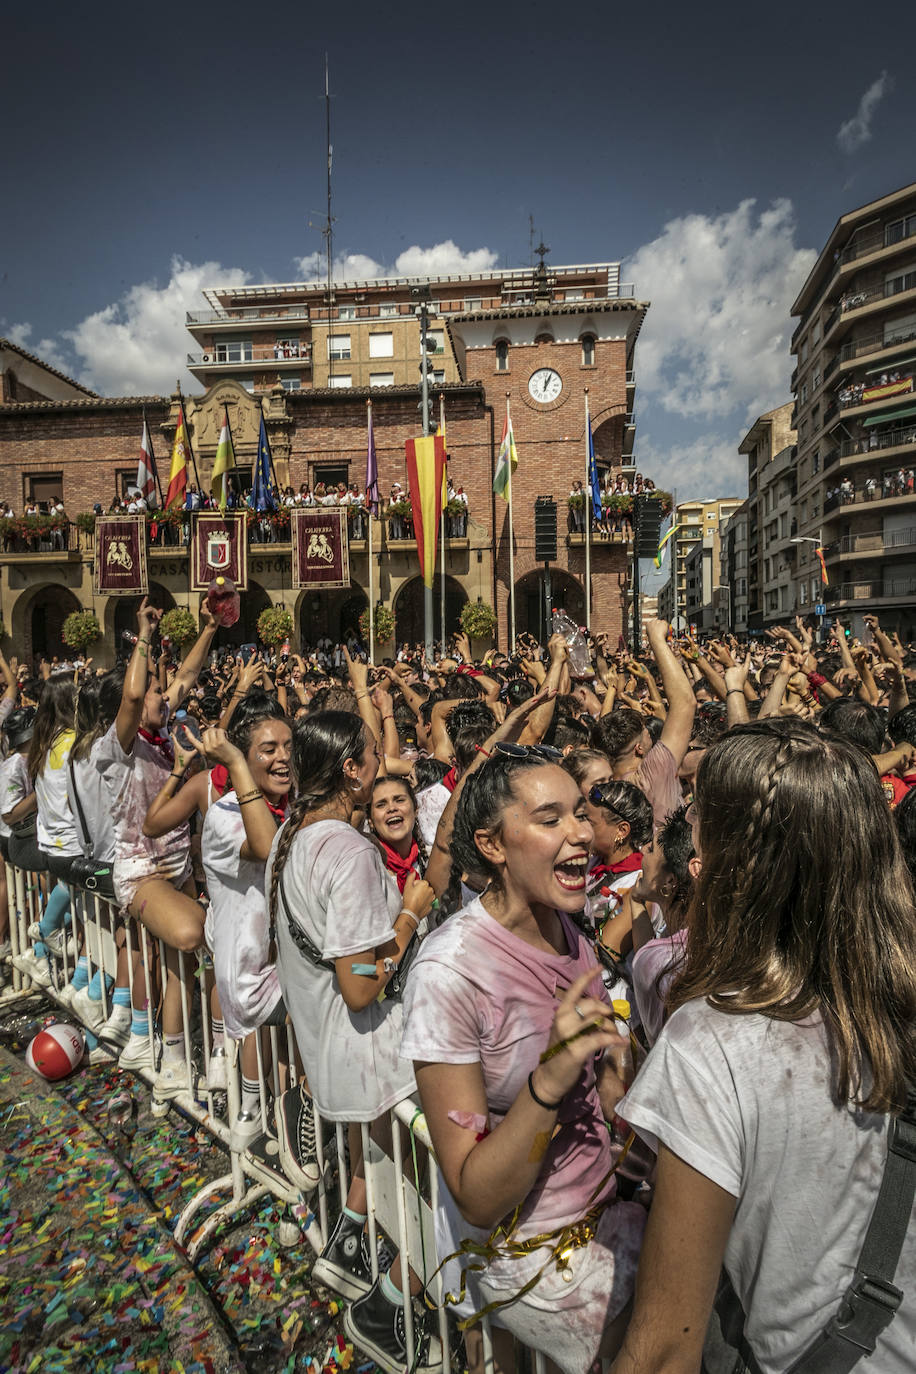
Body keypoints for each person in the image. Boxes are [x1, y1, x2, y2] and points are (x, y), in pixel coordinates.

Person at [612, 719, 916, 1373]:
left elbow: (665, 1346)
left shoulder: (713, 1041)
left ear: (737, 872)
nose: (692, 862)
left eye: (702, 843)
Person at [401, 750, 646, 1374]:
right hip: (527, 1254)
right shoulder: (450, 970)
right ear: (493, 845)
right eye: (549, 818)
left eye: (580, 815)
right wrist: (550, 1081)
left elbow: (607, 1076)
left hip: (611, 1208)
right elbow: (476, 1196)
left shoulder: (570, 924)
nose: (581, 834)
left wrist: (629, 1109)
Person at [265, 711, 440, 1374]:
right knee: (424, 1195)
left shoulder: (299, 832)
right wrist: (410, 912)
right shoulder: (348, 849)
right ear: (351, 767)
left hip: (337, 1053)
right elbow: (362, 983)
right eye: (373, 752)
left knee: (394, 1185)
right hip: (372, 1055)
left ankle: (359, 1265)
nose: (383, 760)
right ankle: (394, 1311)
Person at [96, 597, 217, 1095]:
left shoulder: (163, 730)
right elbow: (130, 699)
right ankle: (169, 1049)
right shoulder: (117, 746)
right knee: (195, 933)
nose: (162, 696)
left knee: (178, 967)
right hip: (142, 874)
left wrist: (209, 626)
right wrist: (143, 634)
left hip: (178, 866)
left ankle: (170, 1058)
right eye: (152, 691)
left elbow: (187, 674)